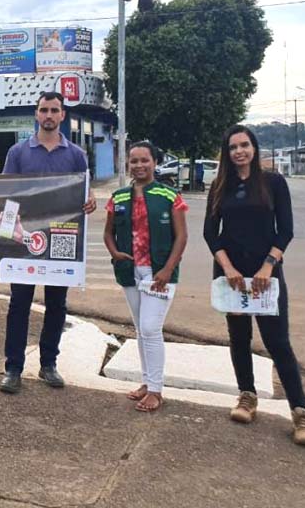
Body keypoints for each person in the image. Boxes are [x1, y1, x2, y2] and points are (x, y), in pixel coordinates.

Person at [203, 125, 305, 447]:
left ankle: (300, 412)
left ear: (254, 148)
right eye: (233, 147)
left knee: (278, 342)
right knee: (239, 338)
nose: (239, 151)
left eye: (244, 145)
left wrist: (269, 265)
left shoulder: (273, 183)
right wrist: (227, 269)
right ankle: (247, 396)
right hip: (231, 275)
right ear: (226, 154)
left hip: (266, 274)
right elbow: (211, 234)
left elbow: (286, 231)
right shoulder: (219, 186)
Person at [0, 91, 97, 394]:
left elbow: (83, 194)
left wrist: (90, 201)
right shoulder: (18, 152)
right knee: (19, 305)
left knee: (57, 305)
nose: (49, 115)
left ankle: (48, 365)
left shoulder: (76, 155)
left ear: (63, 115)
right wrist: (7, 236)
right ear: (36, 114)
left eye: (55, 110)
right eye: (44, 110)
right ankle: (13, 368)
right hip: (25, 239)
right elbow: (7, 195)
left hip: (61, 240)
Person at [103, 141, 188, 412]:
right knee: (141, 329)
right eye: (134, 161)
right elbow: (108, 233)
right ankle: (146, 382)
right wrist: (115, 253)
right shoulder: (118, 198)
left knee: (151, 328)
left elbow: (181, 236)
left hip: (159, 273)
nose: (139, 166)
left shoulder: (169, 195)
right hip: (130, 272)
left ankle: (156, 390)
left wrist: (166, 270)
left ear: (155, 162)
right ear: (128, 163)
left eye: (144, 160)